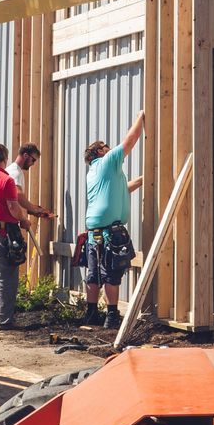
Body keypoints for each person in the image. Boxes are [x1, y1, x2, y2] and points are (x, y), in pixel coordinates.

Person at [0, 142, 50, 329]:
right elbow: (13, 207)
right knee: (5, 276)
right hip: (3, 232)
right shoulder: (6, 180)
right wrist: (23, 220)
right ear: (5, 158)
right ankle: (3, 320)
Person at [81, 109, 146, 328]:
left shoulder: (96, 172)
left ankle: (91, 313)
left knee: (93, 273)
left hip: (94, 230)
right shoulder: (108, 162)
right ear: (100, 151)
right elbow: (129, 141)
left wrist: (146, 178)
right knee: (111, 273)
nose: (109, 148)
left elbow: (122, 189)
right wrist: (142, 117)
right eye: (105, 146)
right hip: (110, 231)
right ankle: (111, 315)